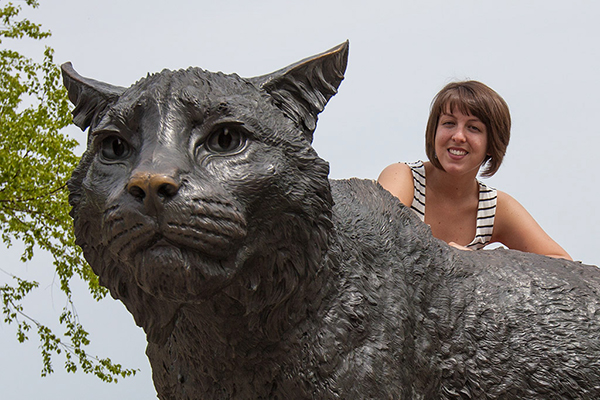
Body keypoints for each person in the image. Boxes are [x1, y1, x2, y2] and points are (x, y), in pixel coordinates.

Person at [378, 81, 572, 260]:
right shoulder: (403, 177)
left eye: (473, 128)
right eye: (449, 123)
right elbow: (378, 234)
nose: (459, 136)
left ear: (491, 143)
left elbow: (563, 262)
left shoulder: (494, 207)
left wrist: (481, 262)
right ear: (434, 131)